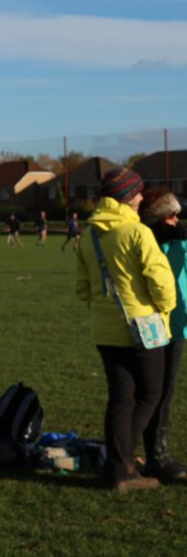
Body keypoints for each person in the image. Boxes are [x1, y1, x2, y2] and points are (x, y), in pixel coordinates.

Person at [76, 168, 176, 491]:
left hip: (104, 330)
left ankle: (117, 465)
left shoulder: (89, 235)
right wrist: (165, 308)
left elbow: (82, 288)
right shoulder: (137, 232)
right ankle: (121, 466)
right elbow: (161, 281)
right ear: (127, 198)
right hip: (143, 327)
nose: (142, 198)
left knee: (121, 398)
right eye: (138, 193)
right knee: (150, 394)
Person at [139, 189, 187, 482]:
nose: (176, 220)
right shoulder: (153, 244)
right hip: (159, 325)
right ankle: (156, 457)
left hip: (177, 324)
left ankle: (158, 453)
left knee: (164, 390)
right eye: (171, 215)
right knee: (156, 391)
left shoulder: (177, 241)